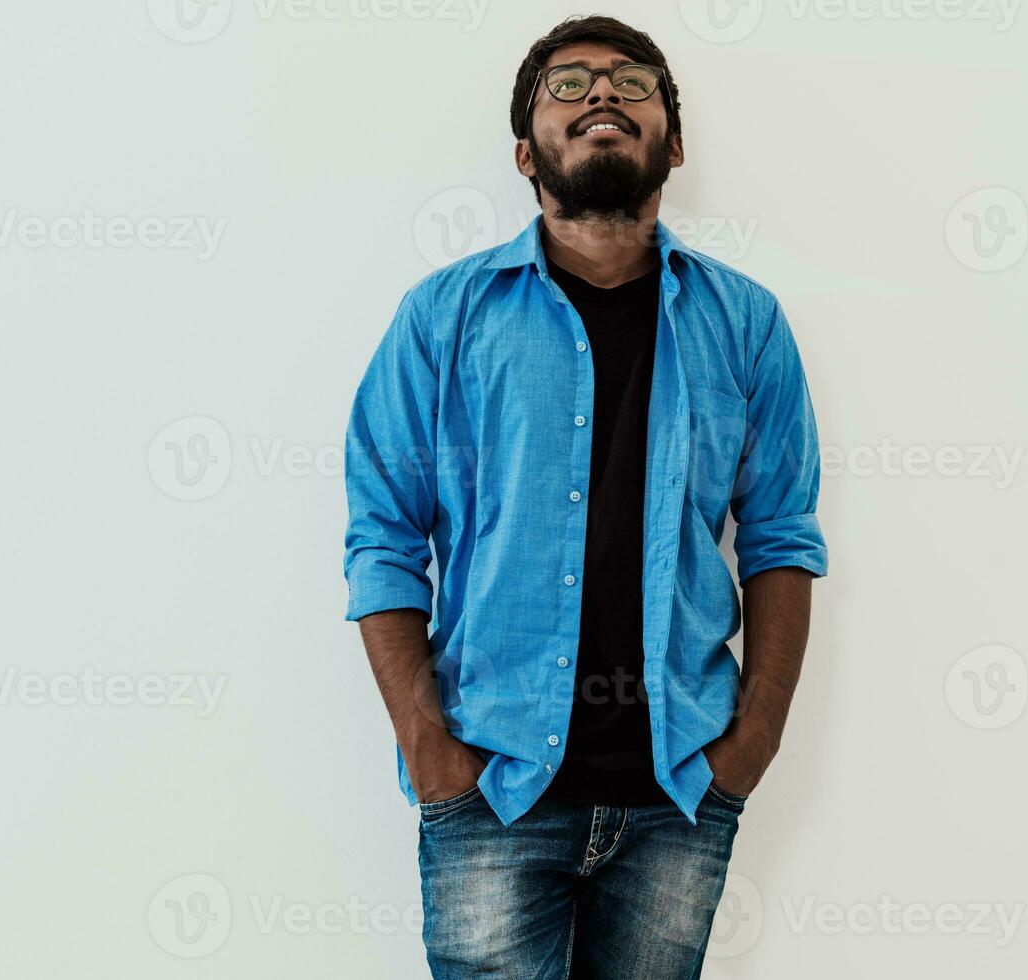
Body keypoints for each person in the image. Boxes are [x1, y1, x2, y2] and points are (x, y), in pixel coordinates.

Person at [342, 14, 828, 978]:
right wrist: (426, 744)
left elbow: (779, 535)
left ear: (673, 142)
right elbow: (382, 537)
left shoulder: (746, 323)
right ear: (525, 150)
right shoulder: (442, 318)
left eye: (631, 82)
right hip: (492, 784)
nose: (601, 93)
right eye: (567, 85)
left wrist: (755, 738)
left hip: (678, 792)